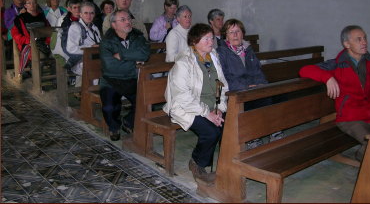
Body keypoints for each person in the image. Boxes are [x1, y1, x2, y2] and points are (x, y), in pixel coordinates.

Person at [299, 25, 370, 161]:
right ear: (347, 44)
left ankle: (365, 159)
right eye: (358, 39)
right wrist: (328, 78)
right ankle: (366, 164)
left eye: (364, 38)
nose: (364, 42)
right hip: (351, 118)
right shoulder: (337, 64)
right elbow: (304, 70)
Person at [163, 23, 228, 183]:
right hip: (187, 107)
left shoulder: (213, 57)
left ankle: (225, 166)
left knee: (229, 126)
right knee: (211, 131)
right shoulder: (184, 63)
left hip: (212, 105)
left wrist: (219, 107)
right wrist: (207, 113)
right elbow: (182, 96)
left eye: (212, 38)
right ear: (195, 41)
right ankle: (197, 162)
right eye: (206, 38)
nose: (211, 42)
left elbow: (221, 84)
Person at [217, 19, 283, 148]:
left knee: (272, 97)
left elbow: (258, 72)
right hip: (234, 92)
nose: (235, 35)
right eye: (231, 32)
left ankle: (273, 130)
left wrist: (261, 85)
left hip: (253, 89)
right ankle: (253, 137)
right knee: (255, 102)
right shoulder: (221, 52)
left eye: (238, 31)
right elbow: (224, 77)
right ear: (226, 35)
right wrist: (247, 86)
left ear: (243, 34)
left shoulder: (248, 50)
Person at [99, 10, 150, 141]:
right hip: (111, 80)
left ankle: (128, 121)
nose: (128, 22)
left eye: (129, 19)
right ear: (114, 25)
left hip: (132, 79)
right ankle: (114, 127)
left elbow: (144, 54)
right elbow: (110, 66)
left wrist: (122, 56)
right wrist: (134, 62)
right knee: (110, 106)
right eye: (123, 20)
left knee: (147, 102)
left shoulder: (138, 36)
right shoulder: (106, 41)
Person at [11, 0, 50, 82]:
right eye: (29, 3)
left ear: (36, 4)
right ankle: (35, 80)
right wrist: (28, 41)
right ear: (25, 6)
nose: (32, 5)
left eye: (34, 3)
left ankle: (52, 79)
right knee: (37, 57)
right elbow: (15, 34)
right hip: (28, 44)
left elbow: (49, 31)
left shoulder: (42, 17)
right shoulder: (20, 18)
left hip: (43, 43)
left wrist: (47, 41)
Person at [65, 2, 101, 85]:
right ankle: (91, 93)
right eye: (86, 13)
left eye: (91, 13)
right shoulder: (75, 27)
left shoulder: (94, 28)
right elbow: (71, 49)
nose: (89, 16)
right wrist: (90, 48)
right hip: (80, 61)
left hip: (94, 58)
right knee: (95, 68)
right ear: (80, 14)